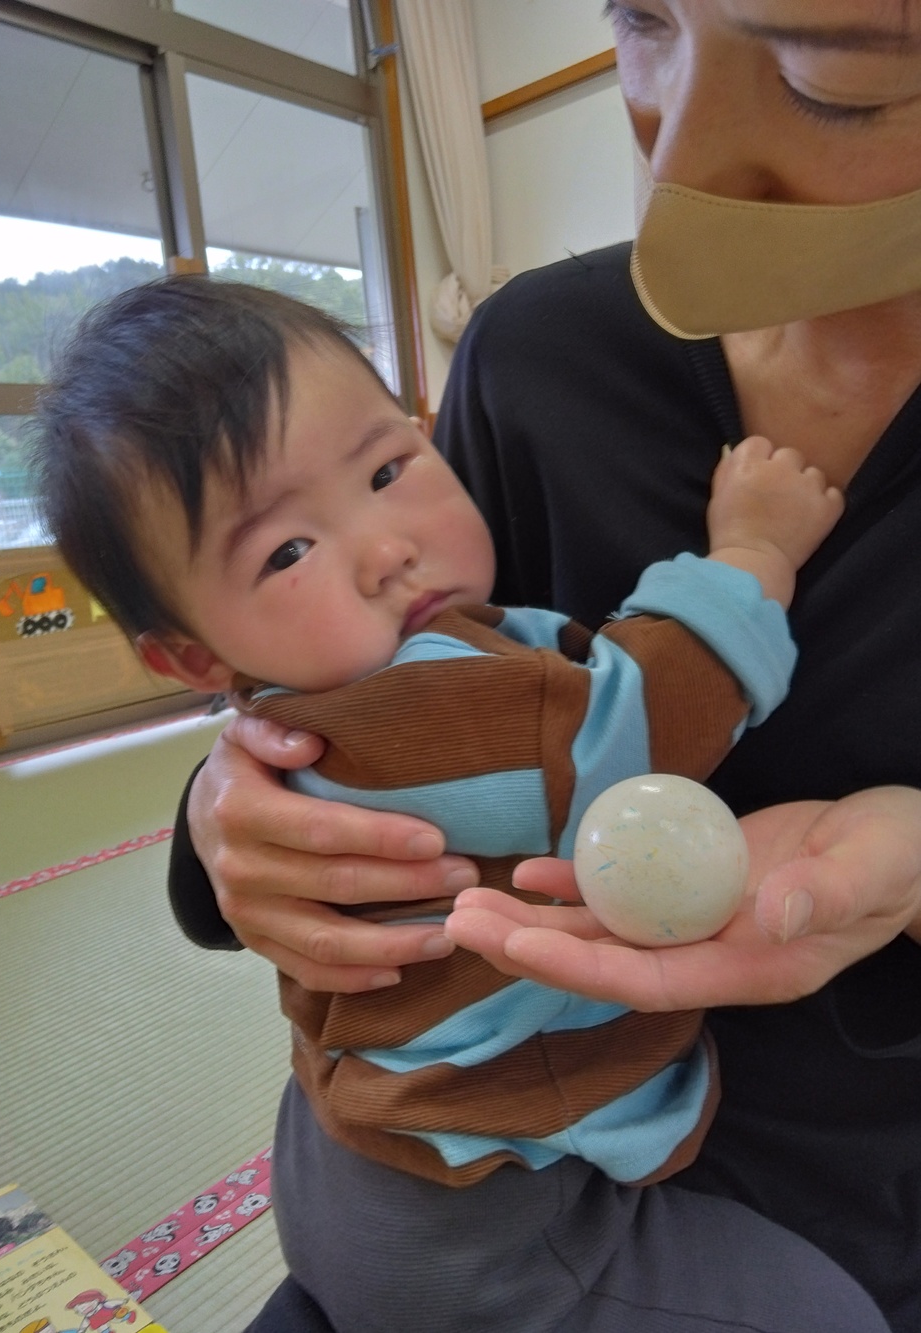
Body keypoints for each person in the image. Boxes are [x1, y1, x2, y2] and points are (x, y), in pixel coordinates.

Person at [169, 1, 921, 1330]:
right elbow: (414, 699)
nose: (674, 139)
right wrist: (234, 806)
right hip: (480, 1160)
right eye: (642, 19)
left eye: (832, 75)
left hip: (838, 1195)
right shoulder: (540, 359)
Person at [33, 276, 868, 1331]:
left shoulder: (304, 701)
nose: (386, 549)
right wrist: (753, 552)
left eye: (387, 469)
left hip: (349, 1147)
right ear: (195, 653)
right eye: (287, 550)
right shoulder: (410, 706)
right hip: (486, 1217)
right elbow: (640, 711)